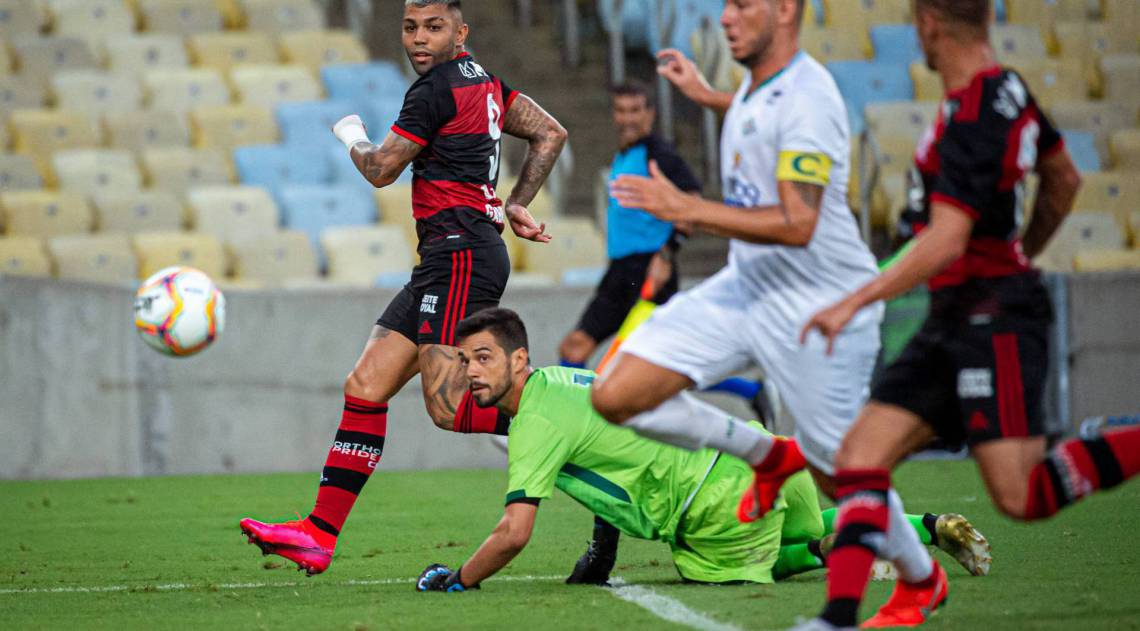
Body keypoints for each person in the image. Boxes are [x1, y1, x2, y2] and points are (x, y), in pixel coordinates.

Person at [585, 0, 948, 618]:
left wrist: (688, 210)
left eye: (741, 5)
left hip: (820, 303)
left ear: (784, 11)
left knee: (843, 478)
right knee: (615, 393)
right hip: (746, 286)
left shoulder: (810, 95)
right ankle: (768, 454)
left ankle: (920, 578)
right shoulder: (758, 89)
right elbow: (759, 116)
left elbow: (799, 222)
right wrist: (707, 96)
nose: (725, 18)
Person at [794, 1, 1140, 629]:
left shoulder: (973, 116)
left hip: (993, 323)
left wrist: (853, 301)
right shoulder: (1008, 90)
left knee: (1022, 495)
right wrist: (1021, 252)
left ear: (929, 23)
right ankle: (841, 617)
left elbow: (945, 240)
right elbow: (1063, 180)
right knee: (859, 457)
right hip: (954, 318)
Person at [239, 0, 568, 575]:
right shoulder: (484, 82)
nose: (418, 39)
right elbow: (549, 133)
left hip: (461, 256)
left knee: (448, 408)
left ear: (459, 32)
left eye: (433, 27)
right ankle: (318, 534)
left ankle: (574, 421)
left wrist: (352, 136)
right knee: (365, 385)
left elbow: (382, 169)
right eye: (410, 27)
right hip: (443, 258)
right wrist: (514, 203)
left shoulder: (435, 89)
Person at [412, 309, 989, 592]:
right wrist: (600, 552)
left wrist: (458, 578)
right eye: (463, 362)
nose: (470, 373)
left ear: (518, 360)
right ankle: (931, 524)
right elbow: (607, 455)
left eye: (482, 357)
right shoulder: (563, 380)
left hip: (712, 507)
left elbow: (514, 533)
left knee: (780, 552)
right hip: (763, 456)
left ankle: (833, 550)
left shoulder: (532, 421)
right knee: (796, 522)